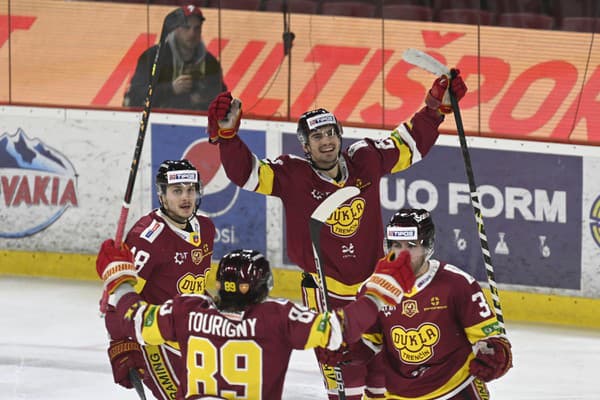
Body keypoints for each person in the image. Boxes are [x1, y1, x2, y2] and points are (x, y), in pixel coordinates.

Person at [206, 71, 467, 399]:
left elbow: (410, 144)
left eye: (331, 133)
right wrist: (228, 137)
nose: (326, 141)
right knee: (342, 371)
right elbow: (246, 174)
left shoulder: (366, 159)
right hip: (323, 291)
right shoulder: (292, 174)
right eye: (317, 137)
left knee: (386, 367)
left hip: (375, 285)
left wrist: (434, 107)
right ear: (305, 145)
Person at [96, 240, 417, 400]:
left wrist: (120, 281)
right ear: (262, 288)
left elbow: (135, 320)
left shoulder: (186, 311)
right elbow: (338, 329)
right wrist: (376, 295)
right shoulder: (276, 317)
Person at [321, 208, 513, 399]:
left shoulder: (457, 285)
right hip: (397, 393)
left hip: (454, 387)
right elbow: (369, 344)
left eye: (411, 245)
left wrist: (496, 353)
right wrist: (346, 349)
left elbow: (490, 339)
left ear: (427, 245)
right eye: (396, 245)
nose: (402, 254)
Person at [104, 159, 216, 400]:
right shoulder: (147, 238)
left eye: (191, 190)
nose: (186, 197)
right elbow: (118, 298)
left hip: (196, 335)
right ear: (162, 196)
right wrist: (121, 344)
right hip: (157, 340)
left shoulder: (206, 227)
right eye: (177, 191)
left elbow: (196, 284)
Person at [123, 4, 227, 111]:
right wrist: (171, 88)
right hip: (153, 120)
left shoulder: (210, 63)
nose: (192, 33)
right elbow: (135, 93)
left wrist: (205, 98)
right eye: (186, 27)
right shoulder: (154, 56)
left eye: (197, 28)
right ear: (176, 28)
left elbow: (223, 99)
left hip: (195, 122)